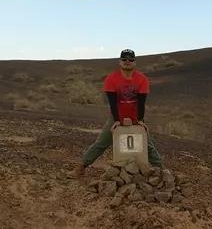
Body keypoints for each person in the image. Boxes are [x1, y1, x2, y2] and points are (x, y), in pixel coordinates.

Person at [67, 49, 163, 178]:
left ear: (134, 62)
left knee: (147, 144)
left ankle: (162, 171)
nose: (127, 62)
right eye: (124, 59)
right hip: (117, 116)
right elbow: (112, 103)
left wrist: (140, 121)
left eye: (130, 59)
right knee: (101, 143)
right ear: (120, 62)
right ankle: (81, 167)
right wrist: (117, 120)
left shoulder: (142, 79)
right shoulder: (112, 79)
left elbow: (141, 103)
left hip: (136, 117)